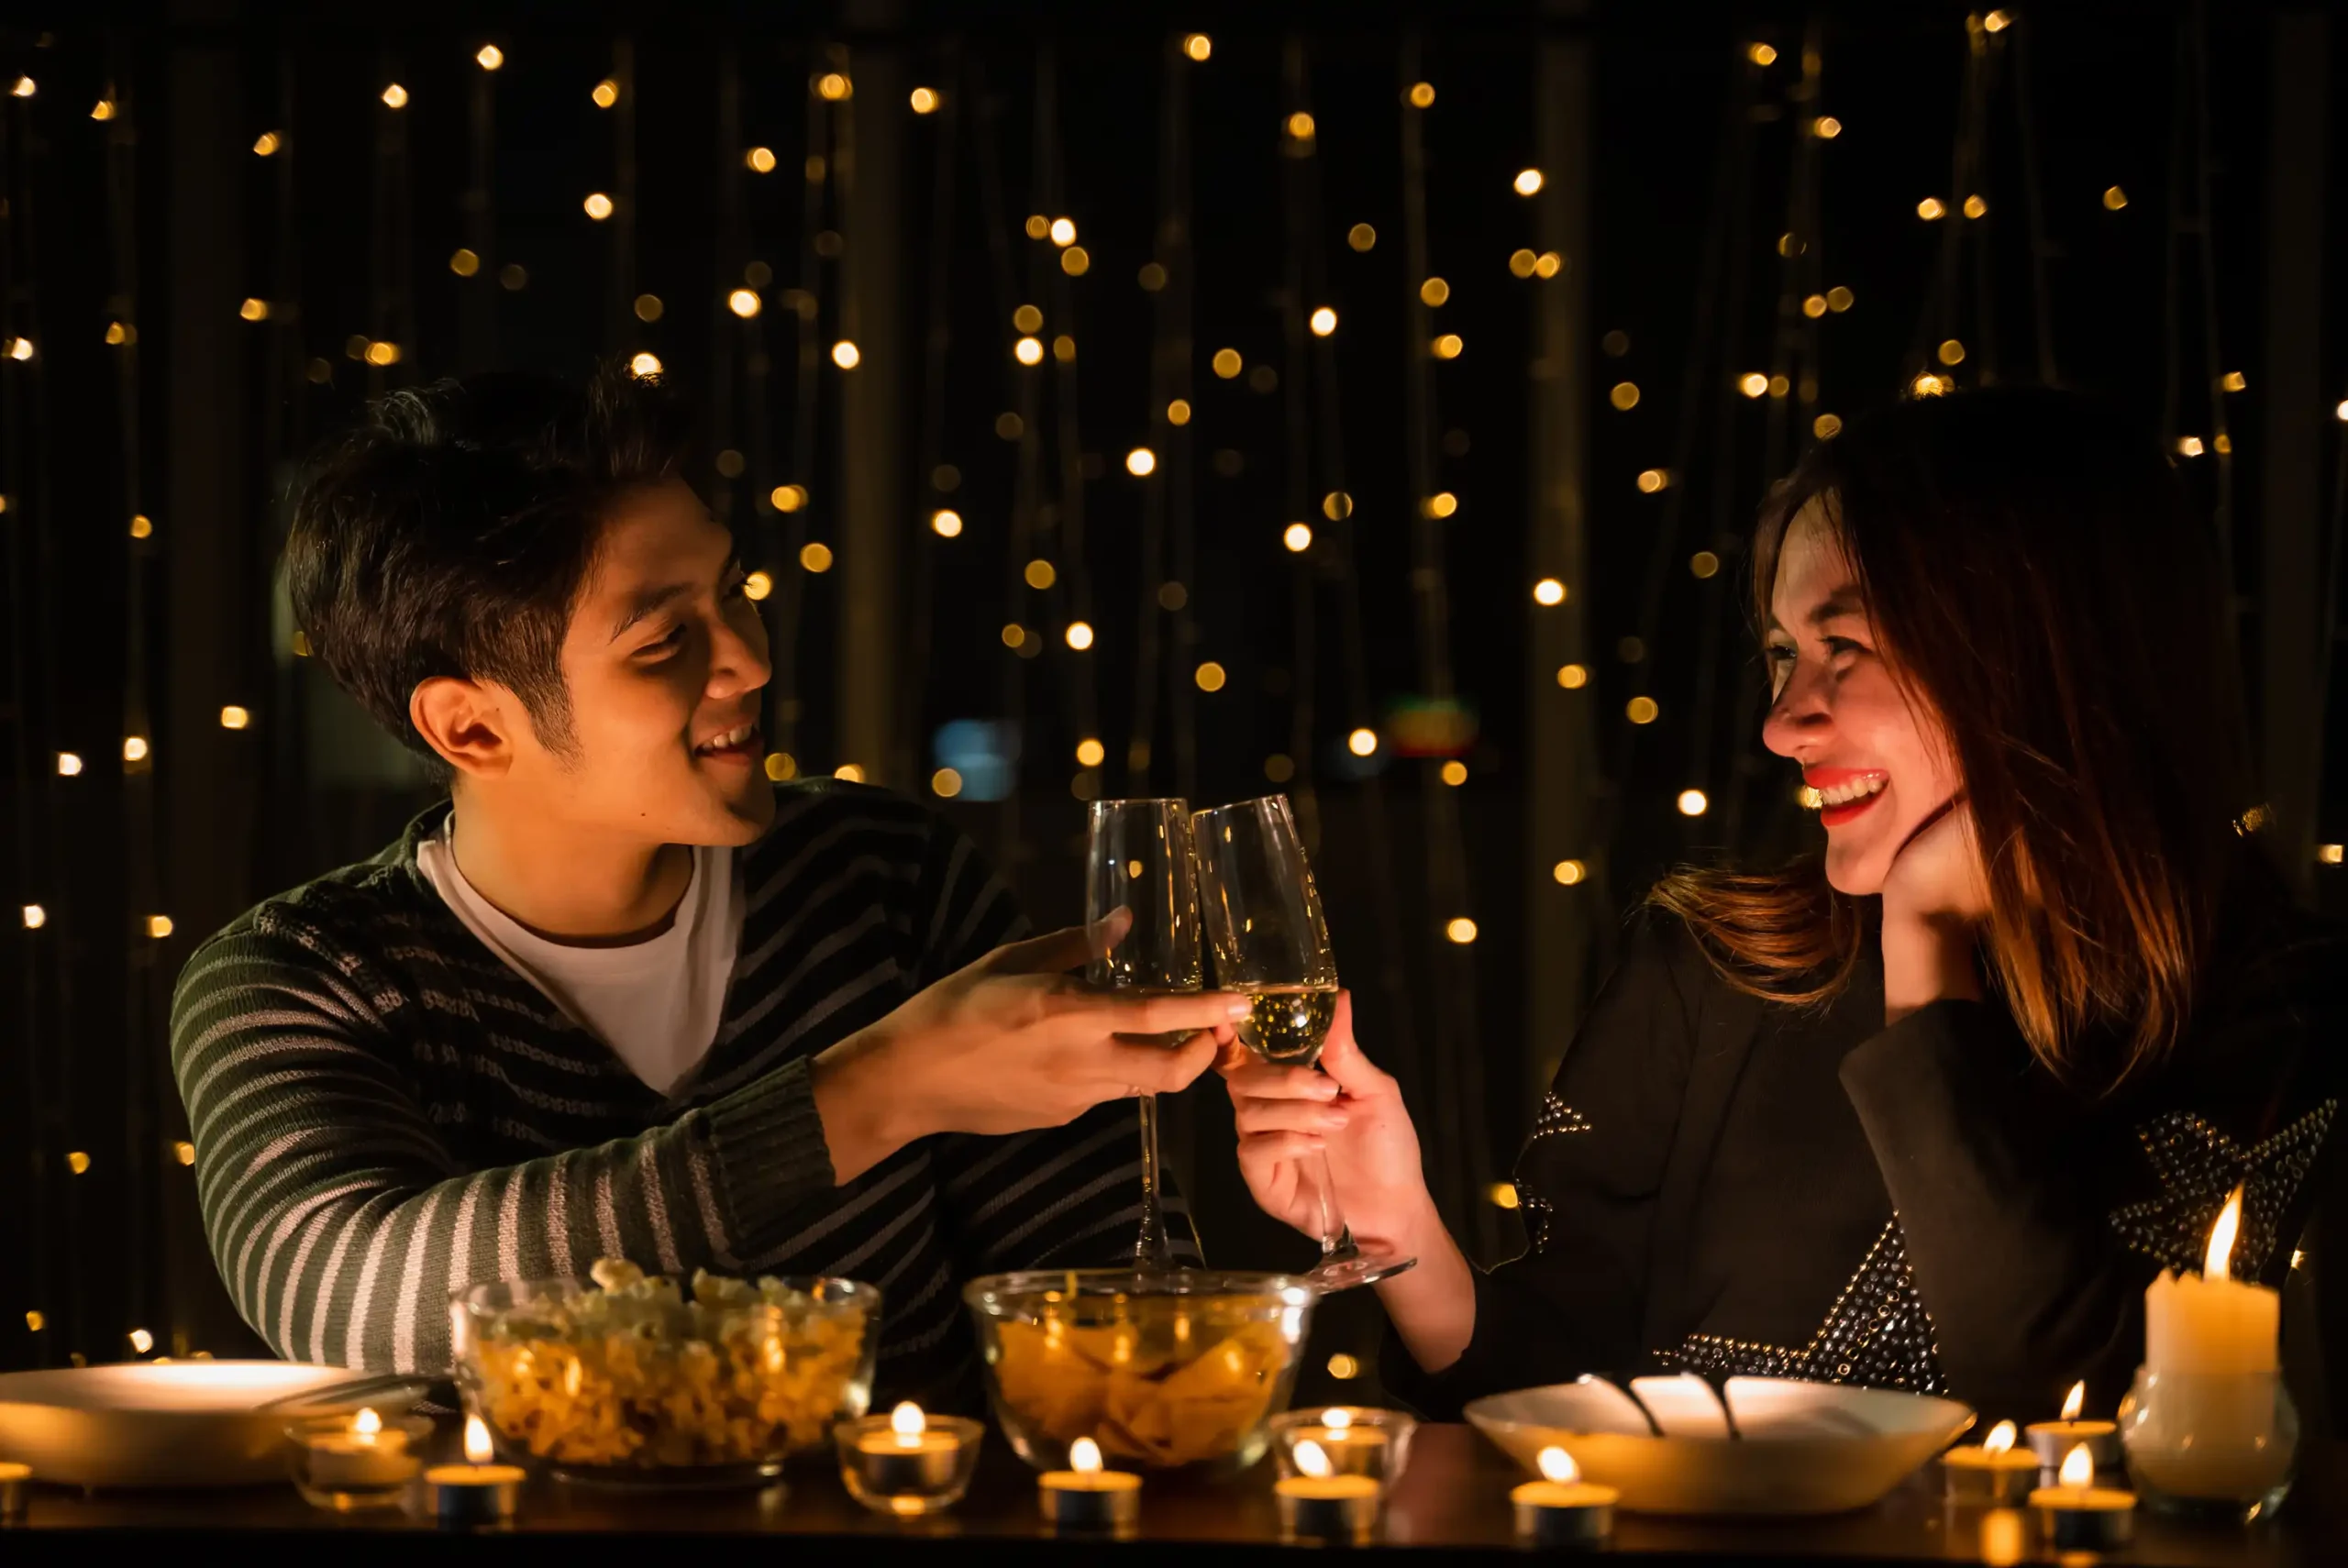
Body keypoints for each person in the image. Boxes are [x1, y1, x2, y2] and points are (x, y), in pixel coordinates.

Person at [1221, 389, 2347, 1423]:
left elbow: (2072, 1398)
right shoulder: (1717, 962)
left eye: (1843, 648)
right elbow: (1558, 1397)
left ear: (2038, 654)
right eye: (1779, 653)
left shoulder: (2264, 1005)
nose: (1782, 722)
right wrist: (1400, 1226)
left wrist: (1925, 945)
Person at [170, 364, 1246, 1405]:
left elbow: (1128, 1340)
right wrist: (882, 1089)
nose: (750, 661)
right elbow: (348, 1291)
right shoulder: (295, 980)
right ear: (473, 727)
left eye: (734, 591)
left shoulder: (886, 878)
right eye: (664, 639)